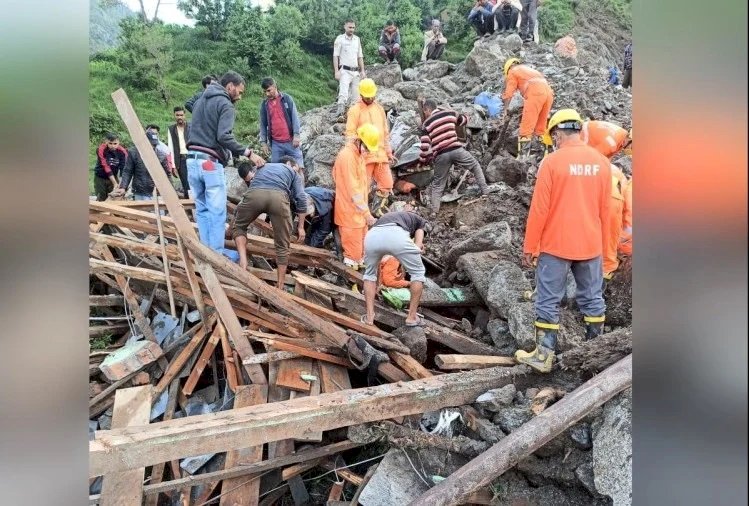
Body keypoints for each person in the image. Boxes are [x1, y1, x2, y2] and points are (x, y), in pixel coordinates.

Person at [516, 109, 612, 373]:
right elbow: (608, 211)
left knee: (548, 299)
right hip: (591, 244)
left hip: (556, 245)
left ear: (557, 133)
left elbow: (539, 209)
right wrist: (608, 251)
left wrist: (530, 246)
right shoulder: (602, 163)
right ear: (580, 131)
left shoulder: (552, 162)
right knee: (592, 299)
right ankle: (596, 355)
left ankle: (544, 355)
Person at [186, 70, 265, 262]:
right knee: (217, 211)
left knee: (203, 210)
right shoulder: (225, 105)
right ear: (230, 86)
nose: (240, 95)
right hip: (210, 163)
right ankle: (218, 257)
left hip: (191, 161)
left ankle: (206, 252)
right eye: (239, 90)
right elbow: (224, 136)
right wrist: (249, 153)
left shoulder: (199, 101)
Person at [230, 156, 308, 289]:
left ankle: (243, 261)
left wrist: (236, 220)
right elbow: (301, 197)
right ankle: (280, 286)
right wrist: (301, 227)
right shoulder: (293, 173)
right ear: (290, 164)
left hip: (256, 195)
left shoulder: (260, 167)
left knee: (239, 227)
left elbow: (246, 199)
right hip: (279, 199)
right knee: (283, 244)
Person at [362, 202, 428, 327]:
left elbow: (380, 264)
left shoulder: (390, 216)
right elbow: (418, 246)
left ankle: (369, 317)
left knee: (369, 275)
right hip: (396, 234)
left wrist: (380, 283)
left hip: (372, 235)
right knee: (418, 273)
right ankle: (412, 317)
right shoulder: (420, 221)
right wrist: (418, 247)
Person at [418, 99, 489, 215]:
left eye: (424, 111)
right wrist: (456, 113)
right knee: (475, 166)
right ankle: (485, 191)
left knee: (438, 184)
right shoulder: (449, 114)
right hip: (456, 149)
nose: (424, 114)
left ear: (427, 109)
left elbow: (425, 147)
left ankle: (434, 211)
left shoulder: (426, 124)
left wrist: (423, 160)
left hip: (441, 155)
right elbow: (465, 120)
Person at [345, 78, 397, 217]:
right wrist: (356, 154)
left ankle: (377, 209)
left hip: (380, 155)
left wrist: (388, 151)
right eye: (367, 97)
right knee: (362, 188)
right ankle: (360, 214)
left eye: (372, 96)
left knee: (387, 183)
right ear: (361, 95)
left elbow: (385, 133)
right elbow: (350, 134)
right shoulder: (355, 110)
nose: (370, 98)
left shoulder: (379, 109)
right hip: (365, 156)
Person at [332, 124, 380, 269]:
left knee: (361, 253)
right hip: (350, 215)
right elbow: (354, 191)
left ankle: (358, 282)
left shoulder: (357, 155)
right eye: (367, 147)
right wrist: (367, 214)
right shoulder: (347, 157)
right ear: (359, 141)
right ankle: (350, 284)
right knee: (353, 256)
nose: (367, 151)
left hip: (357, 214)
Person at [501, 58, 554, 159]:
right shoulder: (530, 70)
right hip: (548, 94)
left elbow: (508, 94)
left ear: (508, 69)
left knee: (526, 127)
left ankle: (523, 157)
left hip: (535, 94)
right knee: (541, 127)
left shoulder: (512, 71)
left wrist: (505, 110)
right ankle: (544, 154)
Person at [110, 130, 172, 201]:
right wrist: (123, 187)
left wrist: (171, 192)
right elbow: (128, 171)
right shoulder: (134, 153)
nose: (152, 147)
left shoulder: (161, 155)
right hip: (140, 190)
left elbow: (167, 174)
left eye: (154, 145)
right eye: (150, 144)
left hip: (157, 191)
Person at [258, 77, 304, 168]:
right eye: (265, 92)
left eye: (268, 90)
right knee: (275, 170)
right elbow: (263, 124)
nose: (267, 94)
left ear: (275, 86)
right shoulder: (265, 105)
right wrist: (263, 142)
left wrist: (296, 135)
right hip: (276, 144)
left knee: (299, 167)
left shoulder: (287, 99)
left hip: (291, 141)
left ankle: (300, 182)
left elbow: (295, 117)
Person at [333, 19, 366, 117]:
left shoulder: (357, 39)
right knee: (343, 93)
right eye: (350, 27)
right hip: (345, 71)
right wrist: (336, 71)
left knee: (356, 97)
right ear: (345, 27)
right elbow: (336, 56)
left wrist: (362, 70)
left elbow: (360, 56)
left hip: (355, 71)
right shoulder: (340, 39)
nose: (352, 29)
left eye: (353, 27)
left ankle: (353, 116)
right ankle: (340, 114)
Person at [93, 133, 128, 201]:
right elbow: (106, 166)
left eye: (115, 143)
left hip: (114, 176)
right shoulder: (101, 149)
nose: (113, 146)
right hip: (100, 177)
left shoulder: (123, 152)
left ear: (118, 142)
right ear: (106, 142)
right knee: (101, 197)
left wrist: (120, 184)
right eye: (110, 143)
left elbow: (123, 169)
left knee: (116, 197)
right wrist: (114, 183)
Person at [168, 106, 191, 199]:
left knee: (195, 182)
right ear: (174, 116)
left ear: (184, 115)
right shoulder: (171, 129)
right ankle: (189, 205)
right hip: (181, 160)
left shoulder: (191, 127)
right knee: (185, 183)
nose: (179, 117)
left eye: (181, 115)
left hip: (192, 157)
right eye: (177, 115)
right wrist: (173, 165)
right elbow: (171, 148)